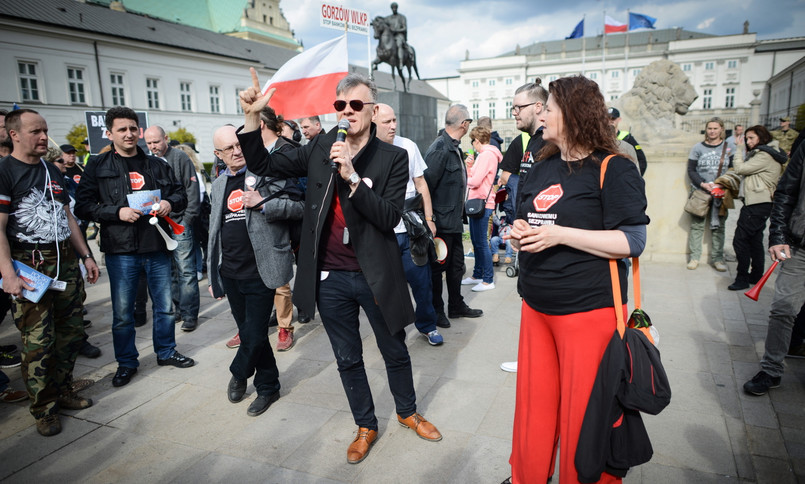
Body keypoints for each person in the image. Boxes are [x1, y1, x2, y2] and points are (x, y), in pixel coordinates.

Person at [238, 70, 442, 463]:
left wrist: (351, 177)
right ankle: (365, 424)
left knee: (394, 349)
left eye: (356, 105)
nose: (347, 112)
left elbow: (387, 217)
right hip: (329, 277)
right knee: (348, 358)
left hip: (376, 274)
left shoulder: (393, 157)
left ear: (372, 109)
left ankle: (407, 411)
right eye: (340, 105)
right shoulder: (321, 147)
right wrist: (252, 118)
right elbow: (264, 163)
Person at [503, 75, 649, 484]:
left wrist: (560, 235)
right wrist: (518, 232)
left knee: (584, 414)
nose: (540, 114)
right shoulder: (542, 163)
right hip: (535, 307)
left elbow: (632, 240)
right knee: (534, 408)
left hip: (589, 313)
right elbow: (531, 219)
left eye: (547, 107)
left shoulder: (613, 166)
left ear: (572, 114)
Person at [75, 107, 194, 389]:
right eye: (121, 129)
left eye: (132, 128)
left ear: (139, 131)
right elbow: (83, 205)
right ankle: (127, 362)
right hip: (121, 250)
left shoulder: (157, 164)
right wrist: (117, 212)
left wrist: (170, 203)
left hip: (157, 247)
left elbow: (179, 193)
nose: (129, 134)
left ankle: (165, 352)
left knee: (164, 308)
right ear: (109, 133)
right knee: (123, 314)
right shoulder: (97, 165)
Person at [0, 109, 101, 436]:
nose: (44, 137)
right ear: (14, 134)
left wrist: (86, 255)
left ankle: (64, 389)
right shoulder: (5, 172)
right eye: (36, 132)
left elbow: (67, 217)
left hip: (66, 263)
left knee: (71, 332)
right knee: (38, 341)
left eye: (45, 131)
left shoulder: (51, 170)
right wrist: (9, 275)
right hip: (30, 265)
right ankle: (44, 408)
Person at [208, 125, 301, 416]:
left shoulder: (266, 171)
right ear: (218, 155)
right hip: (231, 272)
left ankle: (239, 371)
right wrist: (213, 274)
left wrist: (263, 203)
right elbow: (213, 231)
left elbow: (298, 206)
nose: (237, 151)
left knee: (255, 332)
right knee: (254, 335)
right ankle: (269, 386)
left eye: (239, 144)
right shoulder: (219, 184)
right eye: (229, 149)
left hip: (263, 269)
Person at [374, 103, 443, 346]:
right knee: (385, 289)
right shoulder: (367, 151)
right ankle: (392, 331)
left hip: (411, 230)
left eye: (394, 120)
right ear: (373, 121)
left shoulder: (408, 146)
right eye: (387, 122)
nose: (393, 126)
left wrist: (429, 219)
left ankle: (427, 325)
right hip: (382, 232)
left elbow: (421, 184)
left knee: (421, 282)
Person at [743, 142, 805, 396]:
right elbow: (786, 192)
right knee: (783, 308)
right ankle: (771, 369)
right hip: (800, 246)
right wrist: (778, 235)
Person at [424, 105, 484, 327]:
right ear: (464, 124)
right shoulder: (440, 149)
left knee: (456, 266)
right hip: (440, 223)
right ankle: (437, 310)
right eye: (469, 122)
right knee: (438, 269)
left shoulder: (453, 147)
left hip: (454, 222)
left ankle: (456, 305)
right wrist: (430, 220)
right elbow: (425, 187)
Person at [144, 126, 201, 332]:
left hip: (180, 223)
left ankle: (189, 314)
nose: (153, 147)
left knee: (185, 270)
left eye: (156, 142)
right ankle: (177, 309)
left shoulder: (180, 158)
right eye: (149, 143)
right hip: (159, 226)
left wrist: (186, 220)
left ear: (166, 139)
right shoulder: (148, 161)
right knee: (169, 271)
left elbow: (192, 191)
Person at [727, 125, 786, 290]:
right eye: (746, 138)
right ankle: (756, 275)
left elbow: (740, 169)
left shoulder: (764, 155)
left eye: (751, 138)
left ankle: (742, 278)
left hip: (757, 203)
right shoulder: (768, 153)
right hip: (760, 202)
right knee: (754, 240)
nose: (748, 141)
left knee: (740, 241)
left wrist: (738, 149)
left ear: (762, 137)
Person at [686, 117, 734, 272]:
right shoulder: (697, 148)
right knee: (697, 226)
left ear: (721, 129)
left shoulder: (729, 147)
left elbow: (734, 169)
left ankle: (718, 258)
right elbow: (691, 170)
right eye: (709, 128)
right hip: (701, 193)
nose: (712, 131)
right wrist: (703, 184)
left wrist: (721, 183)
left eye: (715, 128)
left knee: (719, 227)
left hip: (721, 193)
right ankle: (694, 257)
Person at [498, 81, 548, 223]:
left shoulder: (550, 141)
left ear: (538, 106)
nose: (514, 113)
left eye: (519, 107)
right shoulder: (532, 139)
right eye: (513, 108)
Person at [461, 126, 501, 292]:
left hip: (482, 203)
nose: (473, 145)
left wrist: (467, 174)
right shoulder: (487, 155)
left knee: (481, 243)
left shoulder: (486, 155)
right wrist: (470, 168)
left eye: (473, 141)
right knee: (477, 242)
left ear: (477, 140)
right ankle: (478, 275)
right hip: (480, 202)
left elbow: (475, 181)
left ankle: (487, 279)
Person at [607, 107, 647, 175]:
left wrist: (636, 179)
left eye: (613, 118)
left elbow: (641, 160)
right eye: (608, 118)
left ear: (619, 119)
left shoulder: (627, 137)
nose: (611, 121)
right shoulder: (600, 138)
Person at [385, 2, 408, 70]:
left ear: (397, 8)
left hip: (399, 35)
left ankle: (401, 62)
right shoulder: (388, 18)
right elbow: (382, 22)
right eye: (393, 8)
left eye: (395, 7)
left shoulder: (402, 17)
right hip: (391, 36)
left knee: (399, 44)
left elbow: (404, 28)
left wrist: (396, 30)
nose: (394, 9)